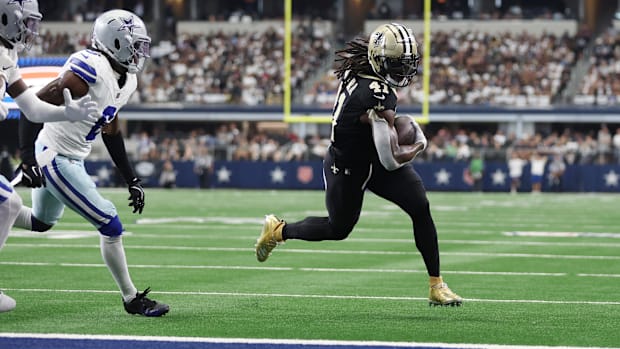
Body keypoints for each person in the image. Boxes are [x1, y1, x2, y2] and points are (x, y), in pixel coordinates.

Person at [255, 23, 462, 306]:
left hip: (370, 157)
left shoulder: (364, 67)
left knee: (420, 206)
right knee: (337, 229)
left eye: (406, 63)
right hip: (349, 165)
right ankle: (278, 231)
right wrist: (417, 145)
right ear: (379, 59)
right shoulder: (375, 94)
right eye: (397, 64)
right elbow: (390, 160)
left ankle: (436, 285)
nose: (403, 71)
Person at [15, 9, 169, 317]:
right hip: (55, 156)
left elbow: (110, 129)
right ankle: (131, 299)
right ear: (116, 42)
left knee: (41, 222)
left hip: (71, 156)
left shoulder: (127, 81)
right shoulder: (90, 68)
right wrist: (27, 156)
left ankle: (2, 206)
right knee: (110, 225)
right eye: (135, 45)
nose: (140, 52)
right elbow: (33, 105)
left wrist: (132, 179)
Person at [0, 0, 99, 313]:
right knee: (9, 202)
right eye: (26, 22)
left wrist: (64, 112)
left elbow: (31, 107)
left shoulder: (8, 56)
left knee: (8, 202)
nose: (31, 30)